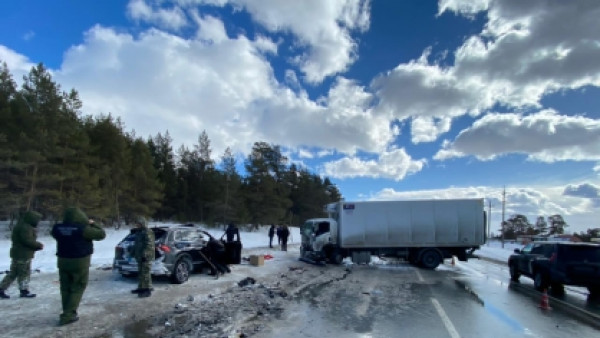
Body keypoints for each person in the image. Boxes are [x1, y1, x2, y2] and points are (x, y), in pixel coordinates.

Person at [52, 207, 105, 326]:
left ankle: (67, 310)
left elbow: (55, 235)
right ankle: (68, 315)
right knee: (78, 286)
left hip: (63, 260)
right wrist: (93, 224)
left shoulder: (57, 228)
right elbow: (101, 234)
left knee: (65, 287)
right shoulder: (83, 229)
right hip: (79, 261)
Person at [0, 211, 44, 299]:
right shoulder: (26, 228)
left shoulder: (22, 225)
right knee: (24, 272)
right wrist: (38, 245)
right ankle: (24, 291)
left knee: (14, 272)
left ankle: (2, 288)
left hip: (19, 253)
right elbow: (27, 240)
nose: (38, 222)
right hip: (23, 254)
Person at [130, 217, 154, 298]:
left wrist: (145, 254)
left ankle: (147, 289)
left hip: (146, 257)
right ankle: (141, 288)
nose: (137, 225)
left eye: (139, 223)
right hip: (139, 256)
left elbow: (149, 245)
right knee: (141, 273)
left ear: (142, 223)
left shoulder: (148, 232)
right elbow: (136, 244)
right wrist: (132, 253)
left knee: (145, 273)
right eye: (137, 223)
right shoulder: (139, 232)